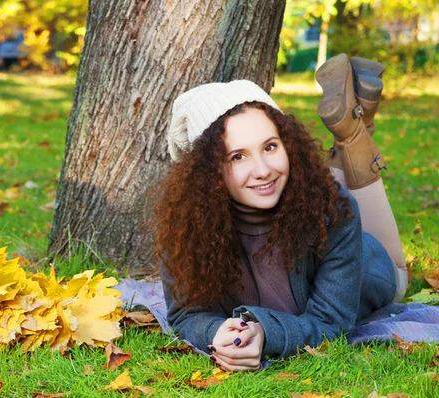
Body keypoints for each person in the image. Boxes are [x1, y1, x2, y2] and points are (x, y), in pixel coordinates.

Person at [152, 54, 409, 372]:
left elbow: (330, 325)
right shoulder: (186, 226)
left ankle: (356, 134)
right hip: (326, 220)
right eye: (238, 156)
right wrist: (216, 333)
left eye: (270, 146)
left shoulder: (331, 213)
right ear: (207, 172)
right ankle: (353, 128)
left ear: (288, 144)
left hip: (369, 267)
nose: (262, 169)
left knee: (394, 270)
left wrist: (265, 332)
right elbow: (186, 316)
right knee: (325, 193)